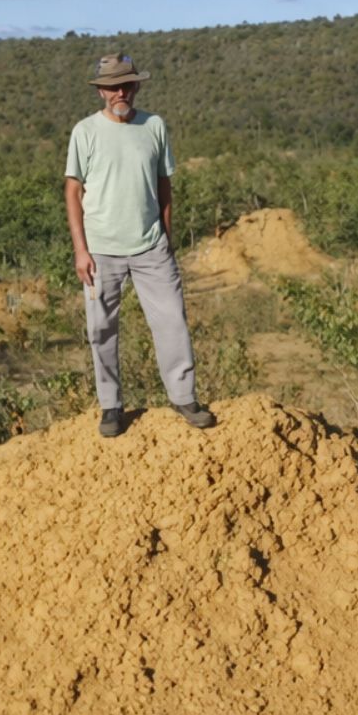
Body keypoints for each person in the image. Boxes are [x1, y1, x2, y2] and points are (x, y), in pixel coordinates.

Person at [64, 53, 217, 438]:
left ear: (136, 86)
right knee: (101, 329)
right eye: (113, 85)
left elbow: (165, 184)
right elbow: (73, 190)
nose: (121, 91)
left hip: (151, 247)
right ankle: (111, 406)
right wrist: (81, 250)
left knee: (172, 322)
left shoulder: (154, 126)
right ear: (100, 91)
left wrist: (166, 236)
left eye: (127, 84)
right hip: (101, 249)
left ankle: (184, 398)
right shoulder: (84, 131)